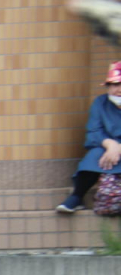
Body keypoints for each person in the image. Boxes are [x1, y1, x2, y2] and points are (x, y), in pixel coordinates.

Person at [57, 61, 121, 213]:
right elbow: (93, 131)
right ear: (107, 87)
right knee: (94, 156)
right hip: (107, 149)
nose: (118, 89)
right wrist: (110, 144)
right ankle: (77, 196)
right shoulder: (100, 103)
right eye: (114, 84)